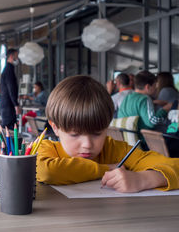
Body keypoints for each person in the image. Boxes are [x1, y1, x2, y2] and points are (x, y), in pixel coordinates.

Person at [36, 75, 179, 192]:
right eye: (75, 134)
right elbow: (46, 171)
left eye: (97, 133)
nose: (87, 145)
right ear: (55, 127)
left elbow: (175, 165)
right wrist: (108, 168)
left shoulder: (115, 150)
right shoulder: (45, 148)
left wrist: (143, 179)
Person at [0, 48, 21, 129]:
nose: (18, 58)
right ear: (12, 56)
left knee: (7, 129)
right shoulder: (9, 70)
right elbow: (11, 88)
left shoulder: (7, 69)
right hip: (9, 105)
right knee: (10, 129)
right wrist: (16, 104)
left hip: (6, 103)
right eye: (16, 56)